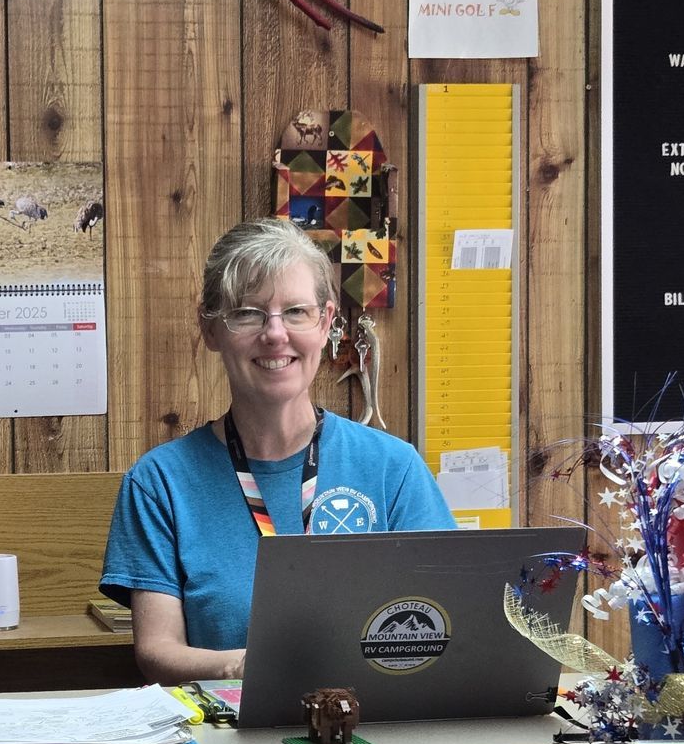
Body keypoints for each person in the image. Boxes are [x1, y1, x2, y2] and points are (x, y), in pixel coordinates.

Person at [101, 218, 454, 685]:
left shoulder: (394, 468)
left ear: (326, 323)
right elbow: (158, 652)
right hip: (231, 737)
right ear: (210, 330)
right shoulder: (160, 482)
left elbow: (449, 623)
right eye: (247, 313)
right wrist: (244, 667)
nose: (274, 334)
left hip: (377, 729)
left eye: (295, 312)